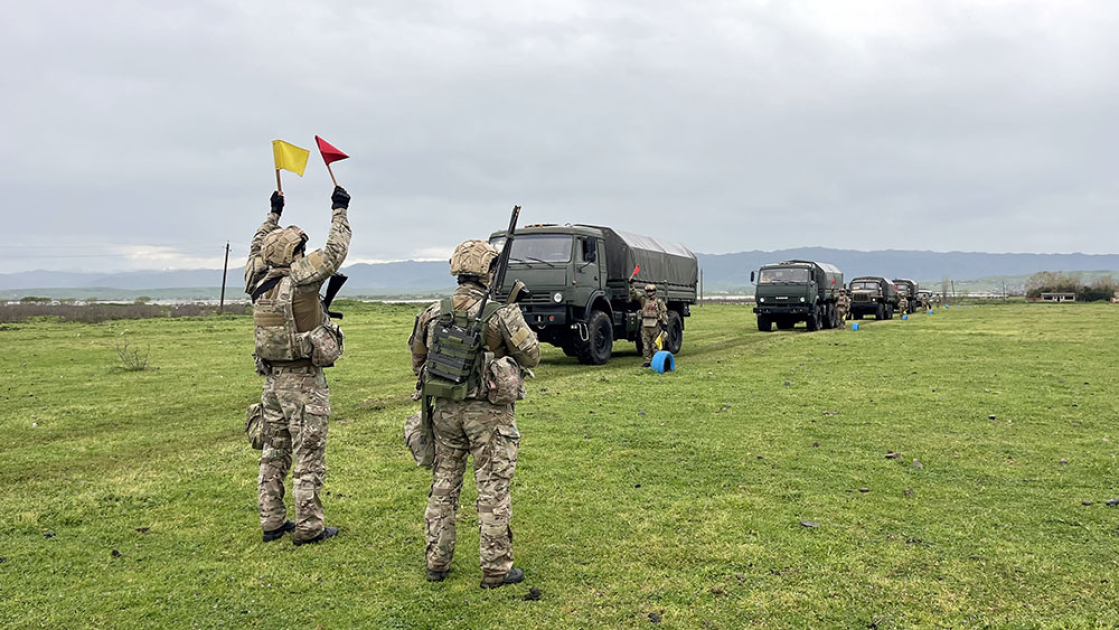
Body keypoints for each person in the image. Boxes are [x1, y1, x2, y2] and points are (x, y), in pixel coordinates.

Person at [410, 240, 541, 589]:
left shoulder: (432, 313)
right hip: (488, 415)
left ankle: (437, 562)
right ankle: (496, 569)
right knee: (493, 488)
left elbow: (418, 361)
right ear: (489, 272)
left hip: (444, 413)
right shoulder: (500, 313)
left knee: (443, 486)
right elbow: (532, 355)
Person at [245, 186, 351, 546]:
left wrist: (272, 214)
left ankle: (272, 521)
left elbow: (255, 248)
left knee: (273, 453)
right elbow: (335, 252)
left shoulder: (257, 280)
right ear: (294, 255)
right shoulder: (301, 281)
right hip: (304, 381)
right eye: (300, 250)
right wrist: (339, 210)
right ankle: (309, 526)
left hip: (272, 382)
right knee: (309, 455)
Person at [629, 278, 668, 367]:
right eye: (647, 291)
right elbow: (634, 293)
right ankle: (647, 361)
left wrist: (664, 324)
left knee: (655, 345)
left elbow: (663, 312)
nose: (649, 293)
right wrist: (631, 284)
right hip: (645, 326)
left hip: (655, 326)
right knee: (645, 345)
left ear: (654, 292)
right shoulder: (643, 300)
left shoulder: (659, 302)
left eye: (651, 291)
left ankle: (655, 361)